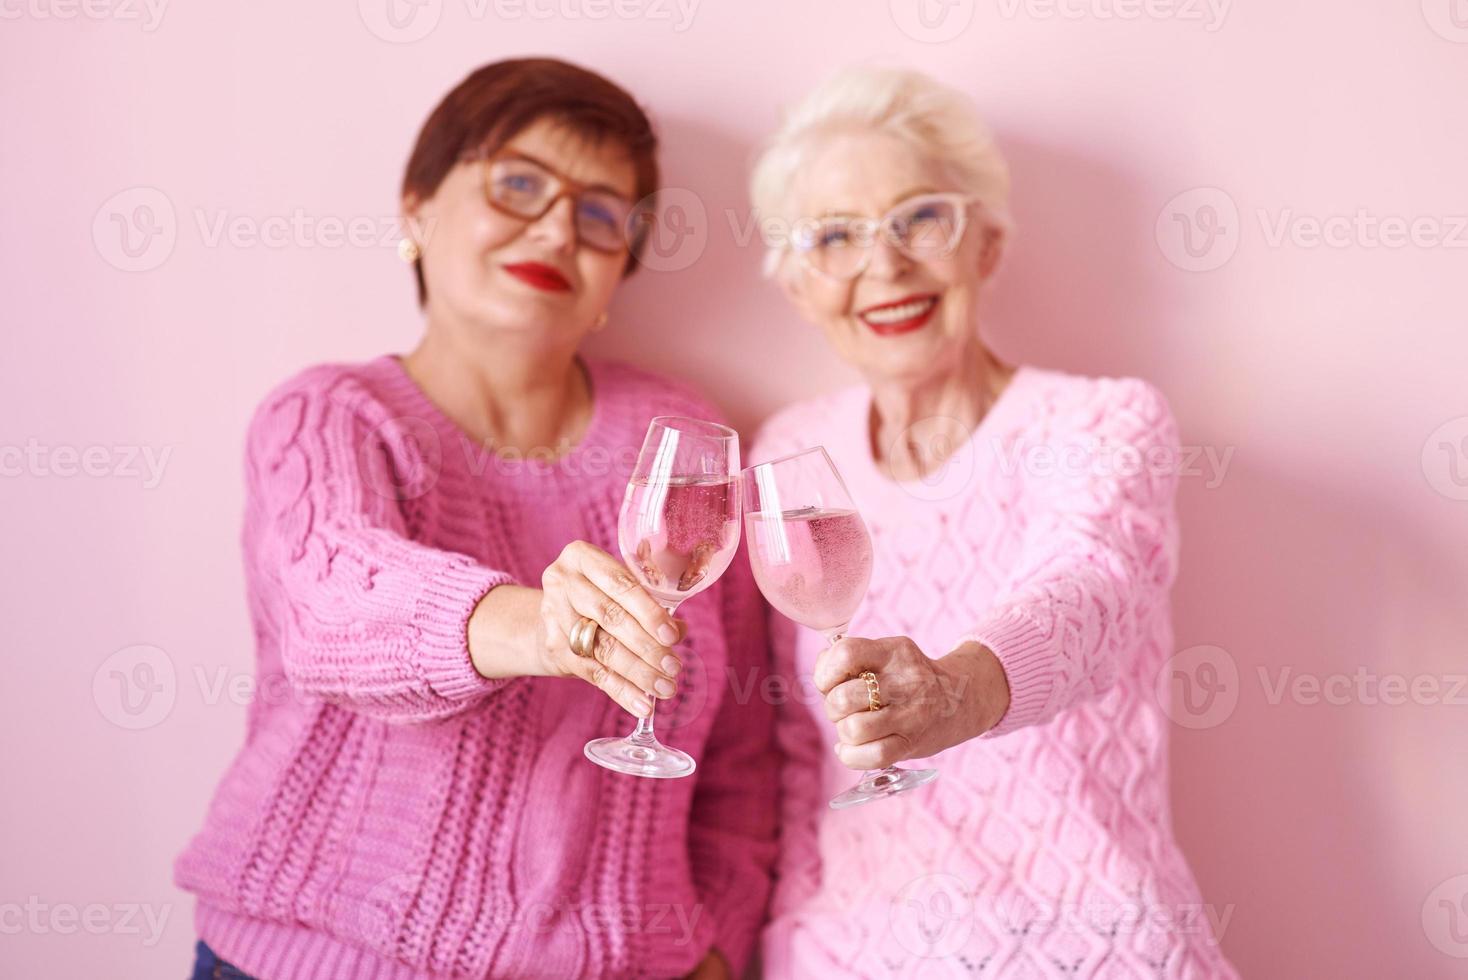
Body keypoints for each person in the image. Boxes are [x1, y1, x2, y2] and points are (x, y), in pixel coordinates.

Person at [175, 58, 776, 980]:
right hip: (316, 961)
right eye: (518, 183)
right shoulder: (330, 414)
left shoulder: (680, 438)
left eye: (601, 211)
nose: (555, 225)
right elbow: (333, 603)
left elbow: (739, 749)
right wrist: (544, 625)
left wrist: (719, 946)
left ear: (619, 271)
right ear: (417, 208)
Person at [748, 66, 1239, 977]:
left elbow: (1092, 589)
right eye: (835, 236)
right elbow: (794, 757)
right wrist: (789, 951)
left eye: (920, 218)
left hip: (1098, 953)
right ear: (797, 285)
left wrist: (955, 692)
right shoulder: (786, 451)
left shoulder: (1099, 423)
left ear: (986, 244)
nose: (884, 265)